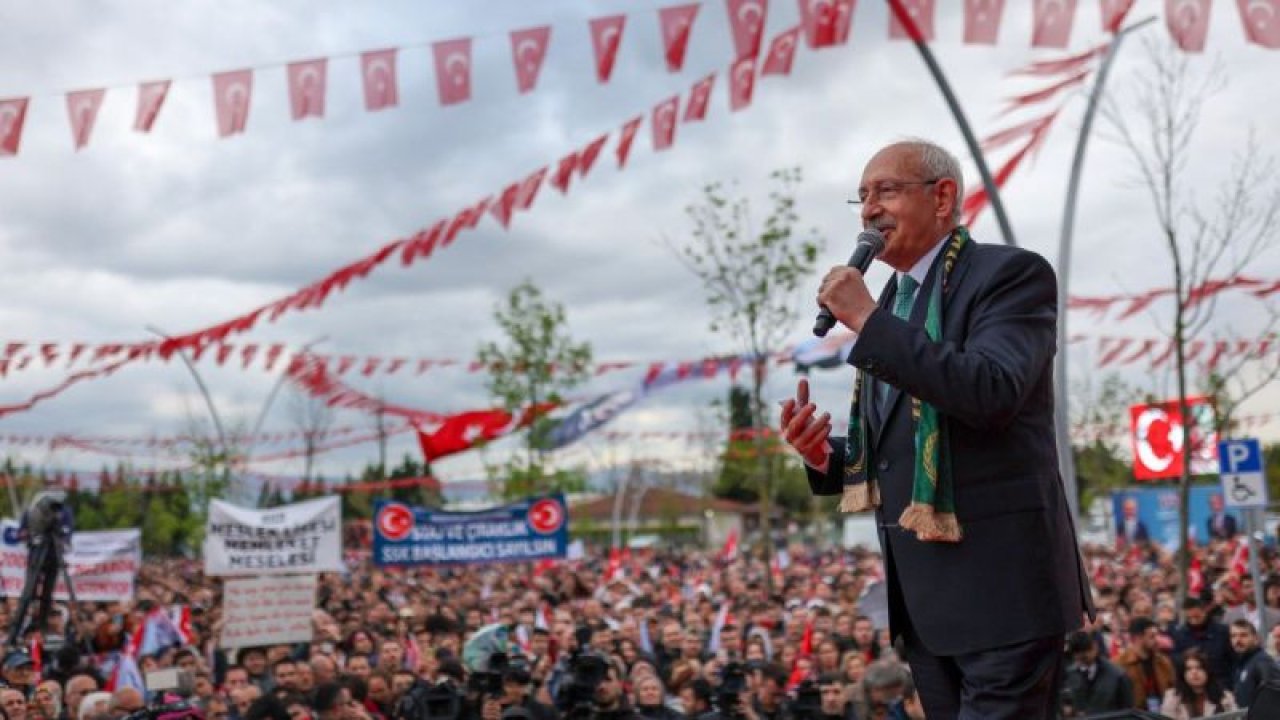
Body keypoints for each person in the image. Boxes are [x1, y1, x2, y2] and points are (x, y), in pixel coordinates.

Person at [780, 138, 1091, 718]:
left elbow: (989, 391)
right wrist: (825, 454)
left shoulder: (1010, 276)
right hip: (926, 609)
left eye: (886, 191)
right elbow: (899, 448)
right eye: (863, 196)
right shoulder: (896, 303)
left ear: (943, 196)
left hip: (1004, 597)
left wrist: (869, 320)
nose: (869, 209)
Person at [1061, 630, 1133, 715]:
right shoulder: (1070, 674)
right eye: (1078, 655)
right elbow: (1065, 700)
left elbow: (1127, 709)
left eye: (1085, 653)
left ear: (1095, 648)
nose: (1082, 657)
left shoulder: (1117, 675)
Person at [1169, 597, 1232, 689]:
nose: (1194, 620)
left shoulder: (1222, 631)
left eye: (1197, 616)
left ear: (1204, 611)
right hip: (1193, 686)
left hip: (1221, 682)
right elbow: (1175, 659)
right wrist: (1185, 656)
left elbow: (1232, 659)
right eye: (1190, 617)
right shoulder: (1180, 635)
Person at [1115, 617, 1175, 712]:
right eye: (1152, 636)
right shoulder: (1119, 664)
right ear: (1138, 638)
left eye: (1157, 635)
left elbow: (1173, 688)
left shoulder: (1163, 661)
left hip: (1162, 713)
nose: (1157, 640)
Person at [1159, 648, 1236, 719]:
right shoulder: (1172, 697)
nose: (1194, 672)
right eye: (1189, 669)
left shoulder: (1225, 697)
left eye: (1199, 667)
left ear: (1207, 671)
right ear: (1183, 673)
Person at [1228, 619, 1279, 709]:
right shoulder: (1242, 663)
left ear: (1256, 638)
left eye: (1243, 635)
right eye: (1233, 636)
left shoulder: (1262, 661)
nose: (1237, 640)